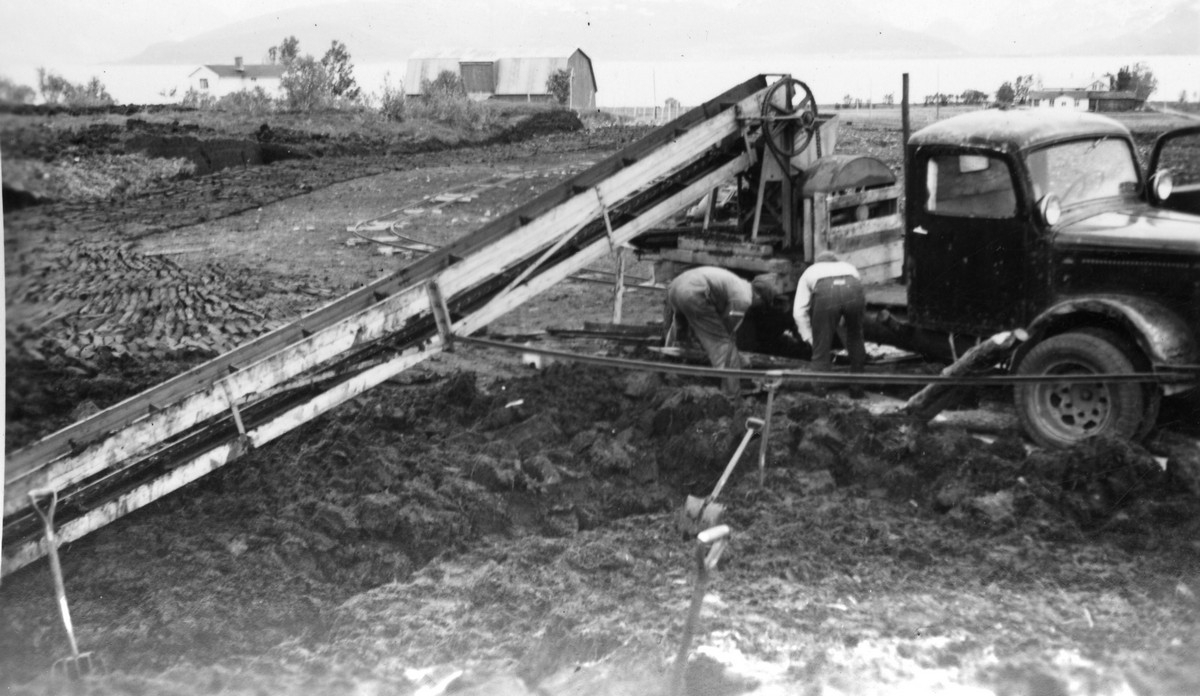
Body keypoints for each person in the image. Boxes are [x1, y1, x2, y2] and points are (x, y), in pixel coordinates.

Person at [665, 267, 777, 395]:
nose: (757, 306)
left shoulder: (737, 284)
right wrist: (738, 359)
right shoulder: (744, 298)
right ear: (758, 296)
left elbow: (718, 315)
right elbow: (726, 331)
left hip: (675, 287)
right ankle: (732, 392)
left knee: (680, 332)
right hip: (693, 293)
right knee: (724, 346)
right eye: (761, 303)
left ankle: (664, 365)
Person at [792, 251, 866, 396]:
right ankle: (857, 389)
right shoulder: (849, 267)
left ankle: (819, 391)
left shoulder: (810, 271)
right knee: (856, 338)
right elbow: (859, 297)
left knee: (821, 348)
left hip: (826, 292)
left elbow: (799, 312)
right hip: (853, 288)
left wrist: (809, 337)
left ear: (818, 262)